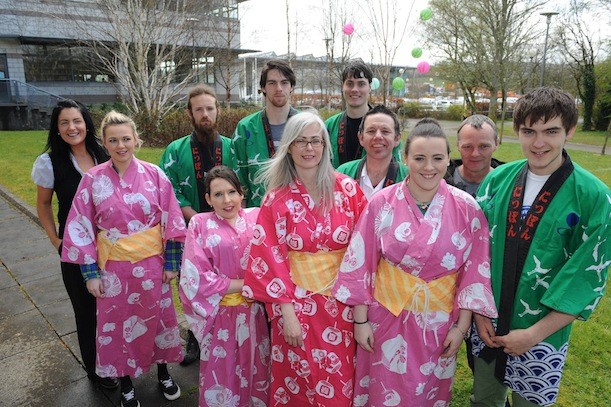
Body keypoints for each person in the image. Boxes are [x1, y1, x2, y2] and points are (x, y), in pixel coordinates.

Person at [332, 118, 498, 406]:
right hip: (385, 316)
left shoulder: (468, 209)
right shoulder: (381, 203)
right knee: (382, 393)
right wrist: (360, 322)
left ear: (448, 159)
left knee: (427, 392)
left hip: (439, 323)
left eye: (437, 158)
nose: (428, 167)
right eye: (419, 158)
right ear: (405, 158)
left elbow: (474, 274)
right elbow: (362, 263)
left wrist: (461, 328)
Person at [471, 87, 610, 407]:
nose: (538, 143)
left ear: (570, 131)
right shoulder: (496, 180)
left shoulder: (593, 197)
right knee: (483, 401)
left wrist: (533, 335)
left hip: (543, 336)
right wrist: (478, 312)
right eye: (528, 131)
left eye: (551, 131)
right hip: (488, 326)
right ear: (516, 131)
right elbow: (474, 251)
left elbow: (586, 277)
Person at [61, 111, 187, 407]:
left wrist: (171, 265)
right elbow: (81, 227)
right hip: (113, 271)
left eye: (126, 139)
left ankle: (163, 373)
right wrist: (90, 274)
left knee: (158, 321)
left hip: (152, 265)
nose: (121, 145)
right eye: (114, 140)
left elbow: (172, 219)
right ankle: (126, 381)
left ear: (136, 140)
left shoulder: (155, 174)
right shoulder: (92, 179)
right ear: (104, 143)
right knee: (117, 326)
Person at [242, 111, 367, 406]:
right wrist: (287, 314)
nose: (309, 148)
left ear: (325, 146)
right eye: (301, 141)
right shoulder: (276, 199)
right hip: (296, 308)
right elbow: (268, 257)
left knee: (339, 384)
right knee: (297, 382)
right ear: (289, 146)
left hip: (342, 306)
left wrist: (363, 312)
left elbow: (364, 251)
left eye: (315, 141)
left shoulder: (348, 190)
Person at [31, 100, 118, 390]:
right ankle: (97, 371)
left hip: (111, 247)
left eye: (77, 121)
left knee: (112, 307)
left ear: (86, 123)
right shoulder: (49, 162)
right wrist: (55, 239)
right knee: (86, 311)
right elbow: (43, 205)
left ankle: (117, 361)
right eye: (64, 123)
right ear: (56, 129)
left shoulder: (104, 152)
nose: (72, 128)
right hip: (75, 252)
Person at [179, 165, 270, 406]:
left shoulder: (257, 216)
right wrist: (248, 284)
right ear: (208, 199)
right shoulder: (199, 223)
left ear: (242, 194)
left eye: (232, 192)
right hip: (221, 316)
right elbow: (195, 277)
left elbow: (273, 260)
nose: (227, 200)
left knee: (257, 370)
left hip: (255, 314)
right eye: (218, 194)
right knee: (223, 373)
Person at [160, 84, 232, 366]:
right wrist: (196, 217)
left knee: (226, 284)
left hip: (227, 231)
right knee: (191, 286)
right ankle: (194, 337)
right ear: (190, 113)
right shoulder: (175, 150)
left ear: (217, 111)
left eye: (210, 108)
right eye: (199, 109)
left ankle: (226, 333)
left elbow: (241, 187)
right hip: (190, 231)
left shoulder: (230, 147)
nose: (205, 114)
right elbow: (168, 189)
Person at [231, 59, 298, 206]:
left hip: (300, 216)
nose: (279, 88)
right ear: (263, 87)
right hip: (258, 215)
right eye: (272, 83)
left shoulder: (305, 126)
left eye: (284, 82)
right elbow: (236, 182)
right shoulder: (245, 129)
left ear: (292, 87)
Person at [326, 59, 401, 168]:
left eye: (361, 84)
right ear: (343, 86)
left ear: (370, 87)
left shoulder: (387, 125)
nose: (355, 89)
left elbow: (396, 169)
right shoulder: (329, 126)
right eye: (350, 83)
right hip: (336, 184)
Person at [337, 105, 408, 199]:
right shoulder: (343, 173)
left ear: (397, 139)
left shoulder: (408, 178)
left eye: (385, 131)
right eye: (371, 131)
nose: (378, 136)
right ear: (361, 138)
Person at [444, 114, 502, 196]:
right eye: (468, 147)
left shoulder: (509, 184)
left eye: (484, 146)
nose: (475, 154)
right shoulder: (440, 181)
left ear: (496, 144)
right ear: (458, 145)